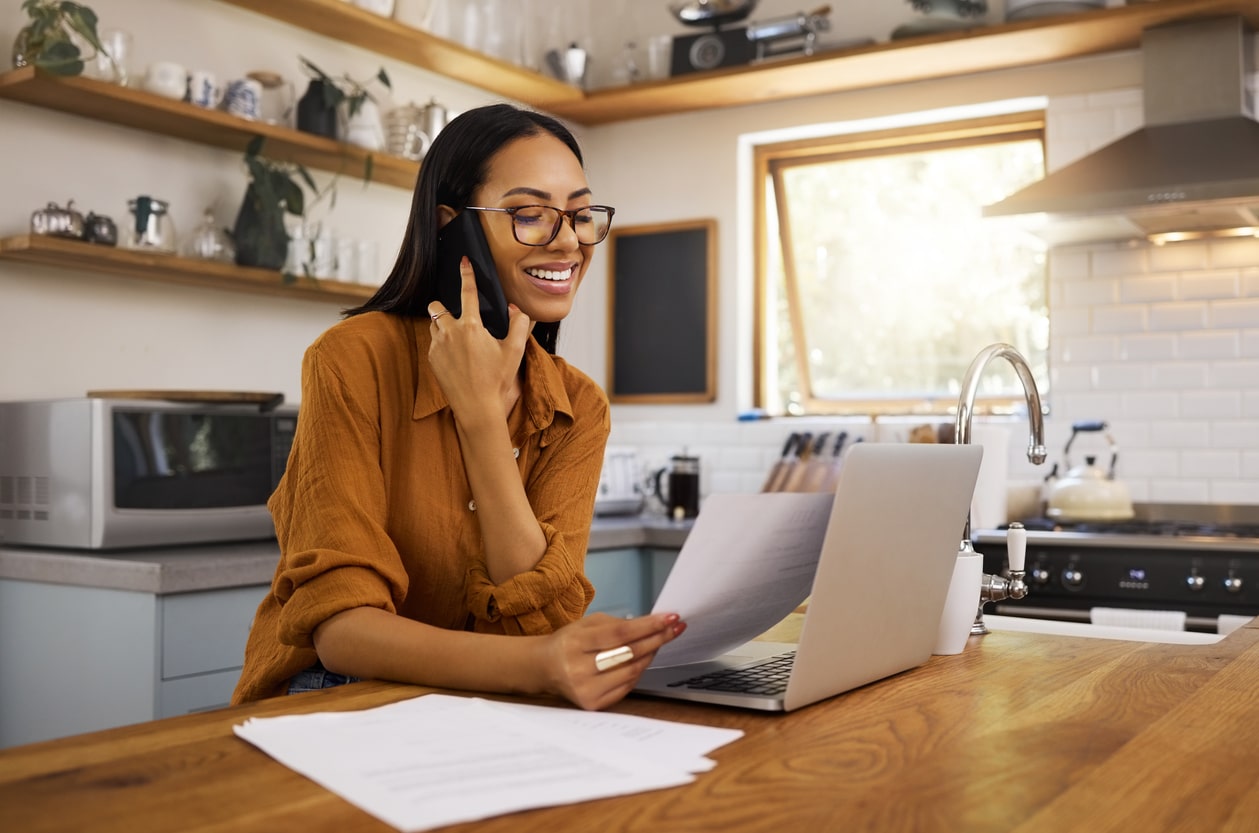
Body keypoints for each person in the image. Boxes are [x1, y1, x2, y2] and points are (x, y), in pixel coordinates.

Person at [231, 103, 685, 711]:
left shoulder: (579, 405)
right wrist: (539, 666)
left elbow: (540, 620)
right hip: (336, 698)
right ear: (453, 229)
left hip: (492, 701)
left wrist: (480, 421)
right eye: (531, 215)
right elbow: (341, 631)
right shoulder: (353, 359)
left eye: (580, 215)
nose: (570, 241)